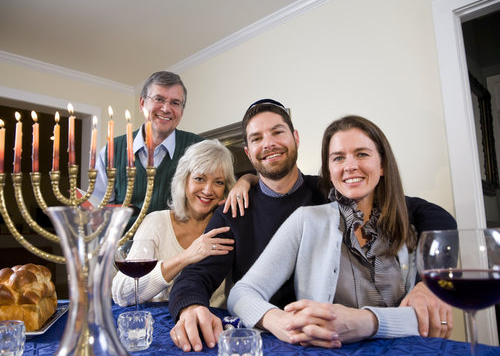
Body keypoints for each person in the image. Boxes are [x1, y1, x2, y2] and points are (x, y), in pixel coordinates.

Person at [168, 99, 456, 352]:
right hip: (287, 337)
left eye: (277, 132)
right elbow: (200, 275)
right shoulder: (237, 210)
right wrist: (191, 306)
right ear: (248, 150)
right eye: (257, 138)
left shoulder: (331, 191)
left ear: (295, 137)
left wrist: (430, 281)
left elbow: (433, 218)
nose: (268, 143)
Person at [228, 115, 444, 348]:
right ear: (329, 171)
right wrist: (277, 320)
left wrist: (365, 321)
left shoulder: (413, 227)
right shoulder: (307, 221)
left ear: (382, 165)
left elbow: (430, 318)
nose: (350, 166)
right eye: (338, 158)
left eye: (362, 154)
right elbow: (242, 292)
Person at [112, 140, 236, 307]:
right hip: (159, 327)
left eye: (218, 182)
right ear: (184, 180)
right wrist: (186, 256)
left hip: (213, 326)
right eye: (199, 178)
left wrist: (248, 180)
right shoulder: (156, 223)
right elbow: (122, 294)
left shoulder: (228, 228)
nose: (208, 190)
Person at [92, 71, 203, 212]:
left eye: (175, 103)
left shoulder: (199, 148)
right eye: (159, 99)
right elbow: (99, 211)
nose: (166, 109)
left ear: (182, 111)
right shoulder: (112, 151)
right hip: (126, 234)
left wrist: (241, 182)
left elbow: (223, 191)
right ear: (142, 103)